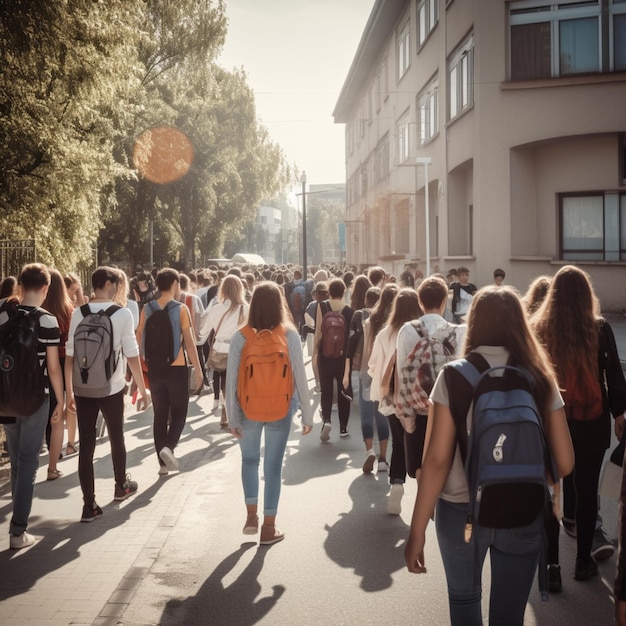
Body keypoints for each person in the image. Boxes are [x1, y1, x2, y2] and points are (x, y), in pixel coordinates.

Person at [405, 286, 575, 626]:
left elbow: (436, 462)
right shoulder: (540, 377)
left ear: (475, 322)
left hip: (460, 511)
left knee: (465, 602)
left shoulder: (454, 376)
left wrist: (417, 530)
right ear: (520, 324)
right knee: (509, 615)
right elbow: (565, 461)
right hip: (522, 509)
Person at [532, 265, 626, 581]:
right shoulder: (599, 328)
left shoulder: (538, 328)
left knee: (552, 488)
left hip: (550, 418)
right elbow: (614, 376)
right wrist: (619, 415)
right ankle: (583, 560)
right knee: (586, 491)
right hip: (592, 420)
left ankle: (552, 566)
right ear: (587, 294)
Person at [225, 281, 313, 545]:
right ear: (279, 303)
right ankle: (269, 527)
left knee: (249, 461)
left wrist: (232, 417)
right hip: (280, 409)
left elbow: (231, 381)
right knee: (273, 466)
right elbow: (300, 377)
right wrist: (307, 415)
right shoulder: (289, 335)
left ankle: (251, 516)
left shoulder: (241, 337)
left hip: (248, 409)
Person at [65, 266, 151, 522]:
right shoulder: (121, 314)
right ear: (108, 283)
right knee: (116, 437)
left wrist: (70, 391)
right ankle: (120, 485)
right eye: (115, 283)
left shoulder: (78, 313)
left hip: (82, 388)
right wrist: (143, 389)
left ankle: (88, 505)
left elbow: (70, 354)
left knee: (87, 445)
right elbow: (132, 353)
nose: (117, 287)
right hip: (111, 387)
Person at [2, 264, 64, 548]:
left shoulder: (3, 313)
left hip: (5, 398)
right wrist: (61, 400)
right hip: (36, 398)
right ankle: (18, 532)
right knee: (28, 463)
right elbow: (53, 368)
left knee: (17, 462)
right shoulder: (47, 320)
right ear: (45, 288)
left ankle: (17, 527)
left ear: (20, 286)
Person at [395, 276, 464, 482]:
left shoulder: (407, 330)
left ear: (420, 301)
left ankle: (425, 505)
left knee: (419, 468)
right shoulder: (459, 332)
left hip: (418, 410)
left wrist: (406, 417)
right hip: (450, 412)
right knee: (448, 467)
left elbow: (402, 374)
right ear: (444, 302)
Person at [137, 268, 204, 475]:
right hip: (177, 368)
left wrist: (146, 361)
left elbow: (138, 338)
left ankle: (163, 465)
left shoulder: (146, 309)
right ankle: (169, 447)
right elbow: (190, 343)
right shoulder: (181, 309)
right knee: (180, 412)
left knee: (159, 414)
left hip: (155, 369)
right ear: (175, 284)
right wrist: (199, 371)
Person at [369, 288, 423, 514]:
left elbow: (373, 366)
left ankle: (397, 482)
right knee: (420, 443)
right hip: (419, 397)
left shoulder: (385, 334)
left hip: (392, 396)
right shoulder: (423, 331)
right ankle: (424, 492)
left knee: (399, 442)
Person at [343, 286, 389, 473]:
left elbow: (351, 343)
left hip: (364, 371)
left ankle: (369, 450)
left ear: (366, 300)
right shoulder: (388, 321)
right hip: (384, 373)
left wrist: (346, 373)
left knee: (366, 413)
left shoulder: (361, 317)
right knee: (382, 414)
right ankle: (384, 459)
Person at [198, 275, 249, 426]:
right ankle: (232, 413)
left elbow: (203, 333)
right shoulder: (245, 308)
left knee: (224, 382)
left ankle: (226, 413)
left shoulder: (216, 309)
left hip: (220, 349)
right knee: (237, 383)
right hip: (239, 350)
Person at [42, 267, 75, 476]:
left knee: (48, 404)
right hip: (65, 360)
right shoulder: (68, 308)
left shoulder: (42, 310)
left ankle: (48, 443)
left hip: (46, 359)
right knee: (62, 402)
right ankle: (56, 458)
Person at [315, 277, 354, 440]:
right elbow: (351, 338)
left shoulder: (322, 306)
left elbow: (318, 332)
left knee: (326, 390)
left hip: (325, 355)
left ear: (329, 292)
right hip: (343, 357)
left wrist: (315, 354)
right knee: (344, 392)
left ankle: (327, 421)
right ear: (344, 292)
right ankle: (343, 428)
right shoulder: (350, 311)